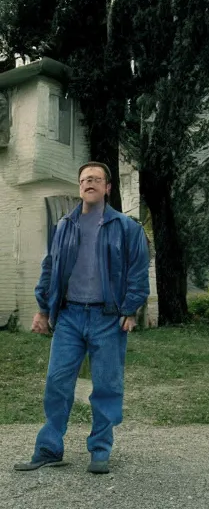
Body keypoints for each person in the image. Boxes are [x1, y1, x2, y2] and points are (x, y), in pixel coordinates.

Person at [14, 161, 150, 475]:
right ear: (79, 187)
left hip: (107, 318)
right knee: (57, 383)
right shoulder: (64, 225)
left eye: (96, 179)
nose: (89, 183)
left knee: (106, 385)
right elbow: (50, 268)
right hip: (70, 316)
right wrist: (43, 309)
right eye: (84, 179)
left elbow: (138, 273)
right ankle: (49, 449)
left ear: (107, 188)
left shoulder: (127, 228)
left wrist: (130, 309)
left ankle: (100, 451)